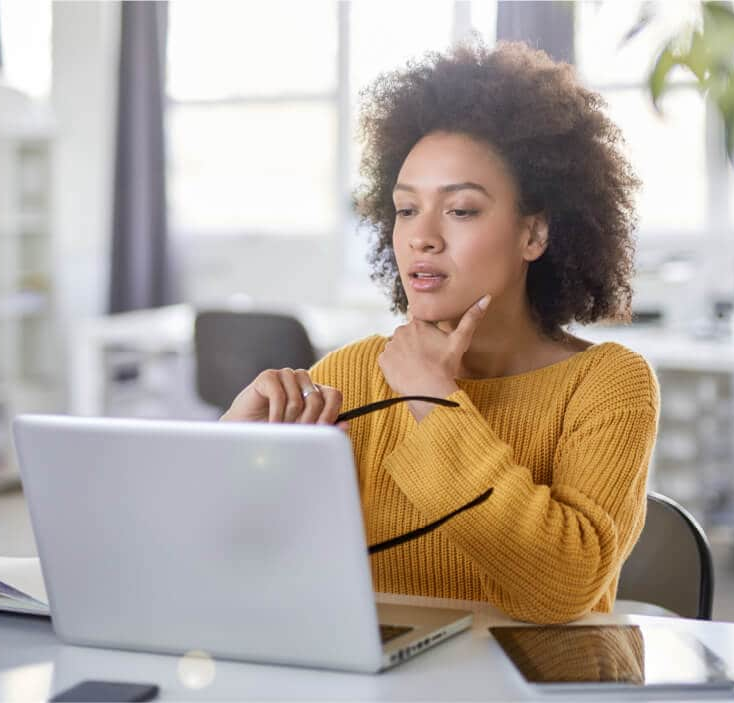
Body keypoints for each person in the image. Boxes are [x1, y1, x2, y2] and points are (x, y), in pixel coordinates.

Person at [221, 40, 659, 624]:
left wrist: (432, 399)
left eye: (461, 210)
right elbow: (241, 562)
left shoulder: (607, 385)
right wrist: (230, 448)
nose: (421, 237)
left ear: (534, 235)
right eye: (405, 210)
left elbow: (560, 589)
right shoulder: (349, 374)